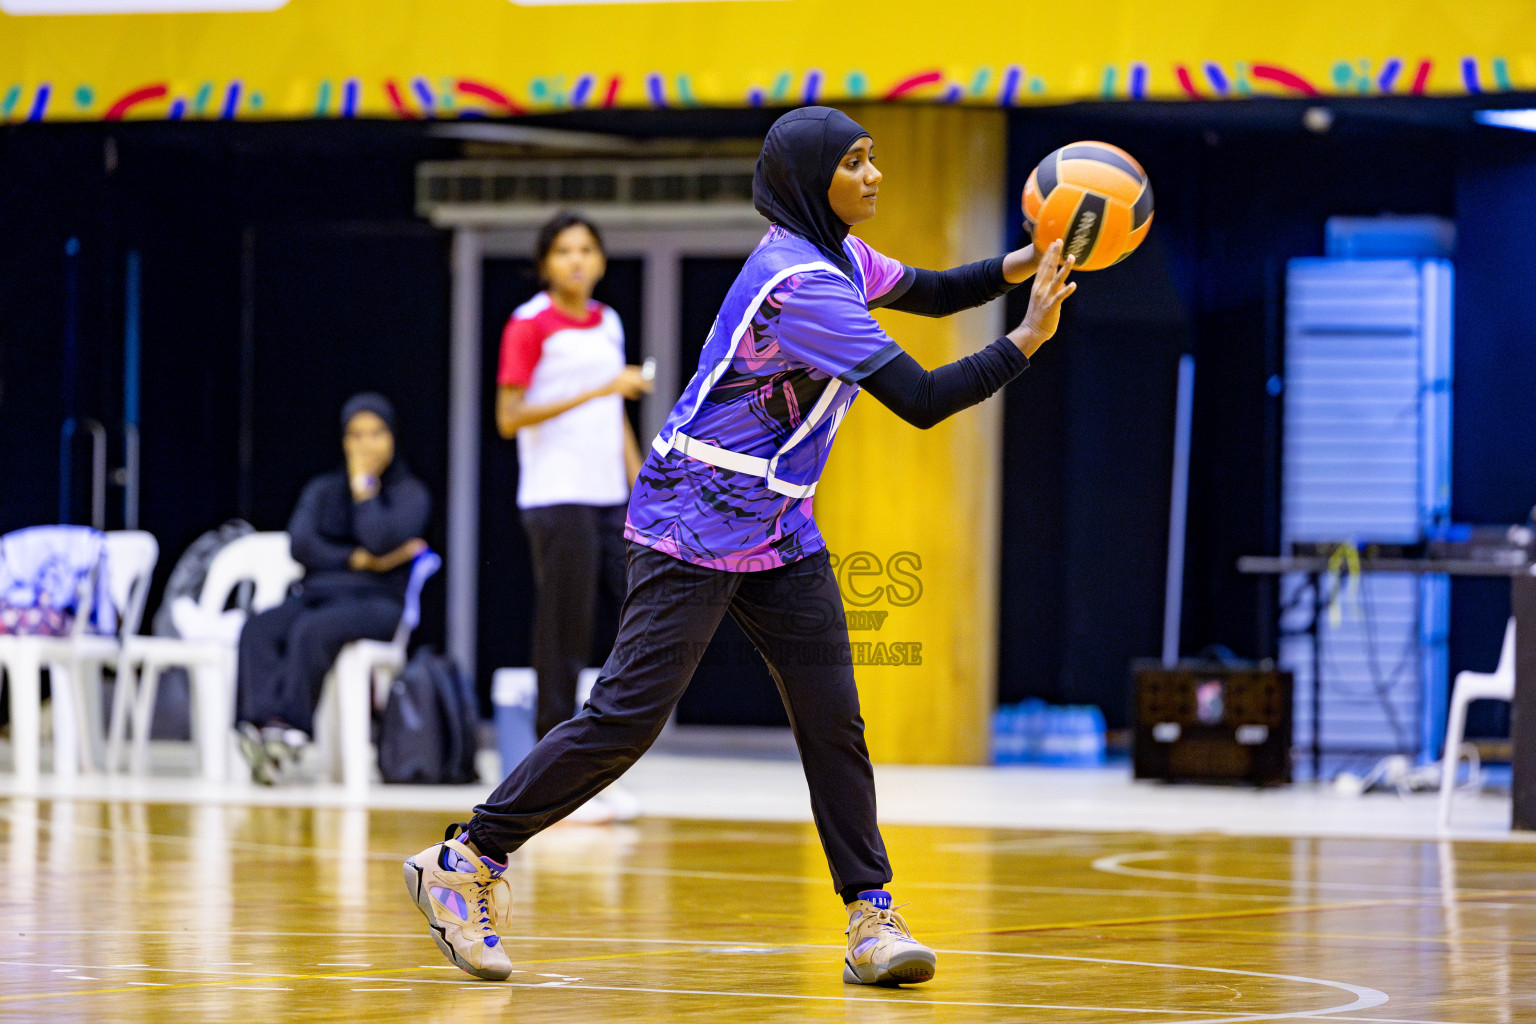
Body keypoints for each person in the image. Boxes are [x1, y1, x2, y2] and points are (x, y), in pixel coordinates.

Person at [403, 106, 1075, 986]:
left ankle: (870, 917)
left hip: (777, 522)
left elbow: (935, 289)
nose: (876, 176)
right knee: (623, 722)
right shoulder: (803, 286)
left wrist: (1025, 261)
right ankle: (465, 862)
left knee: (832, 716)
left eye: (875, 159)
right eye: (858, 163)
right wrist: (1026, 339)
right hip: (693, 518)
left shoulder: (839, 253)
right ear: (810, 179)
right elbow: (917, 397)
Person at [495, 213, 652, 747]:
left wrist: (642, 483)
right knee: (566, 632)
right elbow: (509, 416)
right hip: (558, 496)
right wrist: (600, 386)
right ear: (545, 264)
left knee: (641, 614)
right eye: (564, 251)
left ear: (602, 260)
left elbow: (614, 417)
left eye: (587, 249)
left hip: (611, 495)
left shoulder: (608, 320)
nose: (577, 260)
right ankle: (548, 759)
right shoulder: (529, 322)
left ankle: (605, 750)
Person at [236, 392, 430, 784]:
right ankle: (262, 726)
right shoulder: (323, 489)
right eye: (356, 435)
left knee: (314, 629)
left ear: (392, 438)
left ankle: (291, 728)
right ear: (344, 441)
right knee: (259, 627)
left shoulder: (410, 494)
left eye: (376, 433)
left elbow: (378, 538)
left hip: (378, 604)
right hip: (318, 593)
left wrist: (365, 491)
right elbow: (300, 543)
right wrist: (354, 560)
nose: (365, 444)